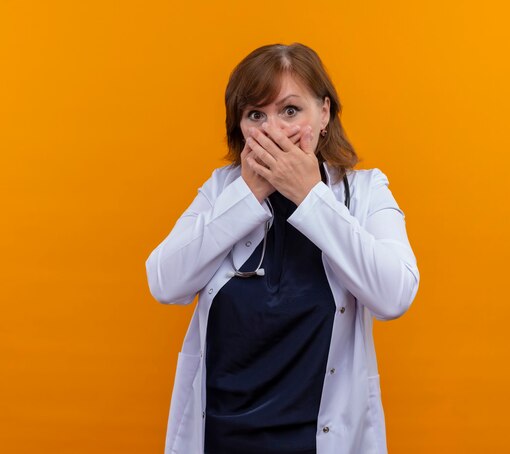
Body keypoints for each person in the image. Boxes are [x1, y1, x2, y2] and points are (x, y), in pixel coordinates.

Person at [146, 43, 420, 454]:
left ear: (324, 113)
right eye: (256, 115)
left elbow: (394, 295)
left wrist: (311, 195)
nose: (273, 130)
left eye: (290, 111)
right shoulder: (223, 189)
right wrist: (249, 192)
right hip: (223, 440)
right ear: (239, 127)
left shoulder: (364, 192)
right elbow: (165, 282)